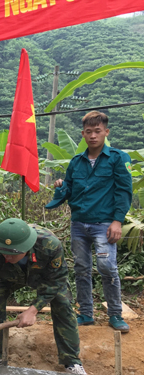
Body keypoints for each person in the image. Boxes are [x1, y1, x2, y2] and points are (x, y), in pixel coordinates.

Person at [0, 218, 86, 375]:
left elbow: (56, 281)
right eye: (4, 253)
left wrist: (33, 310)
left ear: (26, 248)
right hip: (7, 277)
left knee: (63, 303)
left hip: (44, 277)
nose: (6, 258)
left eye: (12, 255)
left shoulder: (50, 245)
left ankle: (72, 361)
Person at [46, 110, 132, 332]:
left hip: (104, 224)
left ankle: (115, 314)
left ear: (106, 132)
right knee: (82, 269)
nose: (93, 136)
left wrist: (117, 221)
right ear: (83, 134)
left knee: (107, 267)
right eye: (89, 132)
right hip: (79, 224)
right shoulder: (76, 162)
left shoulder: (118, 158)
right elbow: (70, 191)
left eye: (98, 131)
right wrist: (60, 187)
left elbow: (124, 191)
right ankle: (86, 313)